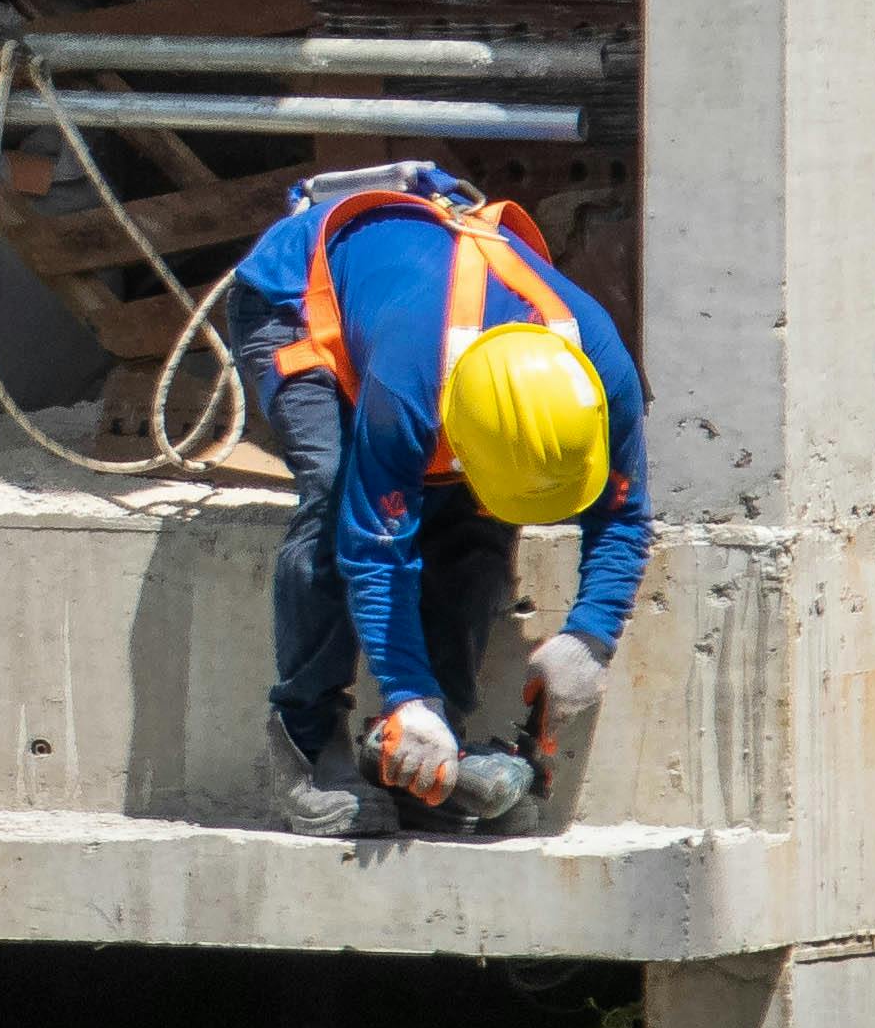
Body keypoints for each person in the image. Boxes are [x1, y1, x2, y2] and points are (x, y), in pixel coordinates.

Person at [214, 160, 649, 841]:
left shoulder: (602, 373)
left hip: (414, 310)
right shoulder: (406, 390)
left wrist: (591, 633)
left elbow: (622, 515)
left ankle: (426, 759)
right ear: (452, 425)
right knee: (333, 501)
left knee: (473, 526)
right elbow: (373, 548)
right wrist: (407, 697)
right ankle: (305, 739)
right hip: (299, 304)